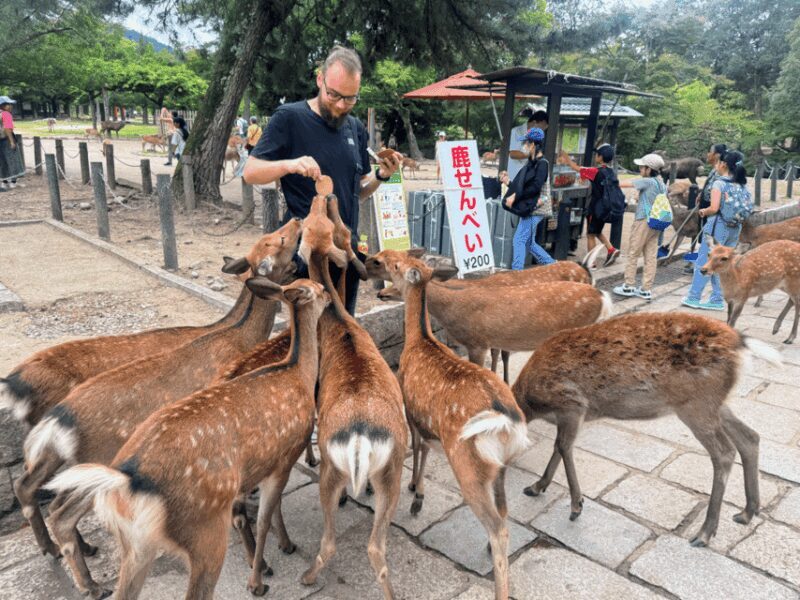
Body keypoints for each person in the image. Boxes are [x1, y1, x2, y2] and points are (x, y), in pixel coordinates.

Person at [243, 45, 402, 315]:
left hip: (345, 255)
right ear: (320, 79)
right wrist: (289, 164)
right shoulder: (290, 118)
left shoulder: (356, 128)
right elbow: (250, 171)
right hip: (306, 255)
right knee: (308, 338)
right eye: (334, 95)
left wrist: (381, 176)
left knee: (342, 338)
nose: (341, 106)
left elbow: (357, 192)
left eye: (350, 99)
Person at [681, 150, 748, 311]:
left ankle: (694, 296)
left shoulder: (720, 183)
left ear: (724, 164)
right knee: (723, 263)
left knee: (704, 260)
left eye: (718, 162)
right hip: (735, 227)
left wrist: (704, 212)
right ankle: (717, 298)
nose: (716, 165)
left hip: (718, 226)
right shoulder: (741, 184)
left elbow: (714, 208)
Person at [612, 153, 667, 301]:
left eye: (642, 167)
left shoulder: (648, 181)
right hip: (656, 223)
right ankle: (646, 289)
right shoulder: (662, 183)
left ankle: (629, 285)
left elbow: (623, 184)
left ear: (649, 169)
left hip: (643, 220)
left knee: (633, 253)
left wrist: (609, 180)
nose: (640, 169)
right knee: (650, 256)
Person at [501, 127, 555, 269]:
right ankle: (553, 266)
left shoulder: (542, 164)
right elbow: (524, 187)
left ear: (532, 145)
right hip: (531, 207)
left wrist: (515, 195)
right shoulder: (532, 163)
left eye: (525, 143)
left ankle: (517, 273)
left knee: (519, 240)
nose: (523, 146)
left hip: (536, 208)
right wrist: (509, 183)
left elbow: (535, 188)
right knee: (529, 243)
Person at [559, 144, 621, 267]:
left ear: (600, 156)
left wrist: (566, 157)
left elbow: (576, 167)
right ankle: (611, 250)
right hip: (605, 209)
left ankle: (591, 263)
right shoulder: (611, 172)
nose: (595, 156)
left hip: (596, 209)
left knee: (590, 235)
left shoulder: (595, 171)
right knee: (597, 231)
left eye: (597, 154)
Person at [507, 108, 547, 182]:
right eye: (541, 128)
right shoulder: (517, 132)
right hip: (514, 176)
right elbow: (513, 154)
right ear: (534, 122)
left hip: (526, 177)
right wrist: (531, 154)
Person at [0, 96, 24, 192]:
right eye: (8, 104)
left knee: (2, 161)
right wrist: (12, 141)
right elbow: (7, 129)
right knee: (12, 159)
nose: (11, 106)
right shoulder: (6, 114)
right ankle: (13, 182)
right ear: (3, 106)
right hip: (6, 139)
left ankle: (4, 181)